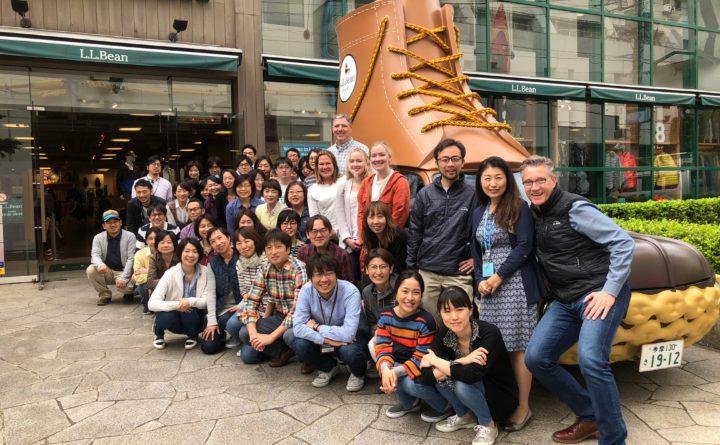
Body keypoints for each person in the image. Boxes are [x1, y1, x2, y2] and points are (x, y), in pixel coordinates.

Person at [520, 155, 634, 445]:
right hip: (566, 298)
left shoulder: (575, 208)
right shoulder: (534, 213)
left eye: (540, 180)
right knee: (536, 358)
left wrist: (609, 290)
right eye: (528, 182)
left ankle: (613, 437)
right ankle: (590, 415)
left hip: (598, 294)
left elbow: (622, 242)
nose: (534, 186)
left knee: (591, 359)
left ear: (554, 180)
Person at [470, 156, 545, 431]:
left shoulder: (519, 207)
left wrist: (498, 277)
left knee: (518, 347)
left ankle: (524, 407)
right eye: (487, 178)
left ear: (508, 180)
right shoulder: (479, 211)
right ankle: (501, 400)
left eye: (498, 177)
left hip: (514, 285)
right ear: (480, 181)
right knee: (495, 345)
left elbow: (524, 247)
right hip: (488, 289)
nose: (492, 183)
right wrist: (479, 280)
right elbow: (476, 252)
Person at [420, 287, 519, 445]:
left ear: (470, 310)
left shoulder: (489, 333)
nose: (454, 317)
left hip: (499, 398)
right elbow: (424, 376)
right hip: (472, 393)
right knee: (441, 379)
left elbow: (472, 375)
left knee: (461, 383)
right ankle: (465, 416)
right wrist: (463, 361)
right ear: (440, 313)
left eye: (459, 309)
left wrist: (437, 362)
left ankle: (488, 425)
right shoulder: (444, 334)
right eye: (447, 311)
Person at [407, 138, 475, 320]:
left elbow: (482, 232)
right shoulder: (424, 194)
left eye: (455, 159)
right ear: (437, 163)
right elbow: (415, 233)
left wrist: (476, 258)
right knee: (430, 324)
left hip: (459, 273)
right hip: (428, 271)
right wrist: (412, 269)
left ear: (463, 162)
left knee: (460, 323)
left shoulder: (473, 195)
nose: (450, 164)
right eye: (444, 159)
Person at [375, 270, 447, 422]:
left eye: (416, 292)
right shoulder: (386, 315)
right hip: (400, 360)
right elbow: (382, 346)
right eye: (405, 291)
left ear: (421, 295)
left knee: (410, 384)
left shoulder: (426, 321)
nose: (410, 298)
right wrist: (386, 370)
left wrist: (394, 371)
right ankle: (409, 404)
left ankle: (444, 407)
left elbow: (421, 358)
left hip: (425, 366)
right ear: (396, 292)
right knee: (383, 363)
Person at [291, 254, 366, 391]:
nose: (324, 279)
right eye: (318, 274)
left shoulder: (350, 291)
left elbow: (349, 334)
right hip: (327, 344)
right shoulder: (306, 290)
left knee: (350, 350)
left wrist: (317, 327)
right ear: (310, 277)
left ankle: (358, 373)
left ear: (337, 274)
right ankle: (329, 368)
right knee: (295, 340)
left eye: (329, 273)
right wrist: (327, 340)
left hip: (347, 342)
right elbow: (297, 327)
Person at [239, 229, 308, 366]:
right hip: (280, 316)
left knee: (290, 335)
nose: (273, 251)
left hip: (303, 319)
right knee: (244, 333)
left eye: (278, 246)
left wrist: (271, 337)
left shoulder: (299, 269)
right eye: (269, 248)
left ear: (288, 249)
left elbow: (297, 311)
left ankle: (306, 356)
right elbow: (251, 302)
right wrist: (254, 335)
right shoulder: (264, 268)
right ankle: (284, 350)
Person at [149, 238, 213, 350]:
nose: (191, 255)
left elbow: (206, 301)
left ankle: (192, 336)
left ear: (199, 254)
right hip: (173, 317)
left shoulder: (206, 272)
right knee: (165, 315)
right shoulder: (170, 273)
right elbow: (152, 303)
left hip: (194, 317)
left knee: (190, 310)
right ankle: (158, 333)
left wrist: (188, 301)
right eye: (187, 251)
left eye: (195, 251)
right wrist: (178, 305)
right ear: (180, 253)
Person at [200, 228, 242, 354]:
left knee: (225, 321)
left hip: (240, 306)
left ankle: (235, 334)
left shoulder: (241, 255)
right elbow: (211, 293)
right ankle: (223, 334)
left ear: (228, 238)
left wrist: (242, 304)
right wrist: (212, 321)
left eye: (220, 238)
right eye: (213, 241)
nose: (218, 243)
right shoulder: (212, 264)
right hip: (221, 309)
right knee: (208, 347)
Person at [225, 227, 266, 350]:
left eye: (247, 241)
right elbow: (243, 289)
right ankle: (248, 341)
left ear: (255, 241)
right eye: (239, 243)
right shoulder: (239, 263)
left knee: (248, 354)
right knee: (231, 325)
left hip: (267, 307)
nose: (243, 246)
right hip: (251, 306)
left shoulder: (265, 260)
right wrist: (244, 302)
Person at [357, 141, 411, 230]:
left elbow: (399, 214)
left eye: (382, 155)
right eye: (373, 156)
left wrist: (384, 239)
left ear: (389, 158)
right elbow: (361, 213)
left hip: (390, 239)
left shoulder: (400, 182)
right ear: (370, 159)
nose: (377, 159)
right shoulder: (366, 182)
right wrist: (363, 238)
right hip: (369, 238)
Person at [87, 210, 136, 306]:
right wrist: (100, 264)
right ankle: (105, 295)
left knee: (126, 289)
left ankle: (129, 293)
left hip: (124, 271)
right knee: (91, 270)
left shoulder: (130, 236)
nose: (112, 225)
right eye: (109, 223)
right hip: (107, 271)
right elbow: (95, 255)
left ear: (120, 223)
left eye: (115, 222)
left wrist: (124, 278)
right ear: (104, 226)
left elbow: (131, 259)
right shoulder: (98, 238)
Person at [336, 147, 370, 283]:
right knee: (351, 281)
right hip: (349, 243)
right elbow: (340, 213)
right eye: (352, 161)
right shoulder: (343, 184)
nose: (355, 164)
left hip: (368, 241)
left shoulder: (372, 182)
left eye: (359, 161)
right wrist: (346, 238)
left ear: (366, 163)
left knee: (369, 281)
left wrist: (365, 239)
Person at [360, 201, 407, 281]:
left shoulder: (398, 236)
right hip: (381, 274)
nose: (376, 221)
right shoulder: (369, 235)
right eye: (371, 217)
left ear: (387, 218)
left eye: (380, 216)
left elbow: (400, 268)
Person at [298, 215, 353, 282]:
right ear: (307, 234)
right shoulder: (303, 252)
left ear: (330, 232)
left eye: (323, 230)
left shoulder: (342, 255)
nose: (319, 235)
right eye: (314, 231)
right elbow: (302, 280)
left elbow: (348, 283)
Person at [359, 248, 397, 343]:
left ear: (391, 268)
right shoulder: (367, 292)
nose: (378, 272)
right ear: (367, 270)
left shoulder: (401, 287)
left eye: (383, 266)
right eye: (374, 267)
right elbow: (372, 323)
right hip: (381, 335)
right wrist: (379, 332)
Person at [308, 150, 341, 231]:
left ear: (334, 165)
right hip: (327, 235)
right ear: (316, 167)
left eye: (328, 163)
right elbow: (315, 219)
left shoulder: (344, 182)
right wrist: (331, 234)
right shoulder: (312, 190)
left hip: (349, 235)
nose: (325, 167)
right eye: (321, 164)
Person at [133, 227, 163, 315]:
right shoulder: (140, 254)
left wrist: (147, 271)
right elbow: (138, 276)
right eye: (150, 238)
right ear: (146, 241)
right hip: (148, 285)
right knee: (143, 287)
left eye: (156, 238)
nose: (153, 241)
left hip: (164, 284)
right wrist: (155, 278)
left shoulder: (167, 251)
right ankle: (149, 304)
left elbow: (170, 275)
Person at [146, 231, 180, 299]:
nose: (165, 245)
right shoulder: (154, 258)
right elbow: (150, 283)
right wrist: (170, 281)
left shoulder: (180, 257)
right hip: (161, 291)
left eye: (169, 242)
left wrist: (163, 282)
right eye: (162, 242)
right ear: (157, 245)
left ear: (174, 244)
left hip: (178, 291)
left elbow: (182, 281)